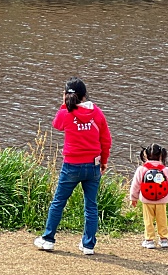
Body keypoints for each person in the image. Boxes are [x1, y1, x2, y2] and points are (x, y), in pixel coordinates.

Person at [34, 77, 112, 255]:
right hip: (93, 166)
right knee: (91, 206)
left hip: (71, 166)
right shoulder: (97, 112)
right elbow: (106, 140)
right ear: (85, 95)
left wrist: (65, 105)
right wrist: (104, 160)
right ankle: (88, 245)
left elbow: (57, 124)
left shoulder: (65, 113)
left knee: (58, 202)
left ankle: (47, 239)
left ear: (66, 95)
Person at [129, 144, 168, 249]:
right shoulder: (165, 170)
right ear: (161, 155)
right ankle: (164, 239)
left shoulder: (141, 169)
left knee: (148, 220)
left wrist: (133, 198)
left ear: (146, 155)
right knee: (162, 219)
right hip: (162, 200)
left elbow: (135, 185)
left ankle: (149, 240)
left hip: (146, 199)